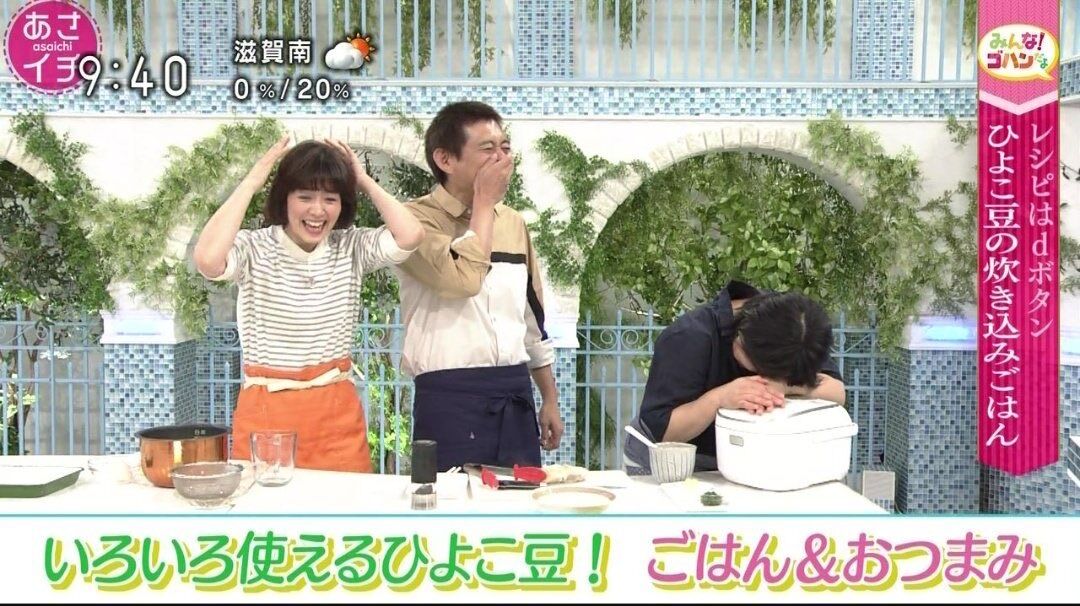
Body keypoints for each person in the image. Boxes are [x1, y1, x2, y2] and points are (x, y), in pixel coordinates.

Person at [192, 137, 424, 473]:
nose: (318, 211)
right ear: (284, 198)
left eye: (330, 199)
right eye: (304, 197)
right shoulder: (254, 248)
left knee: (343, 507)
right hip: (267, 411)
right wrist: (252, 181)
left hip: (336, 413)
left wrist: (362, 179)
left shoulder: (351, 247)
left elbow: (411, 235)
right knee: (267, 504)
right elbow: (208, 260)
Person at [395, 101, 564, 471]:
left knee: (521, 500)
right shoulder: (413, 220)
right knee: (450, 502)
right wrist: (484, 204)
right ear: (445, 159)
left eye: (505, 147)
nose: (501, 158)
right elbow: (460, 283)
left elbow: (531, 320)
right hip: (449, 397)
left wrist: (549, 398)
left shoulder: (514, 223)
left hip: (514, 390)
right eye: (487, 149)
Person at [624, 281, 847, 472]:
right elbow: (664, 432)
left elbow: (837, 392)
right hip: (670, 461)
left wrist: (785, 386)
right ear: (741, 333)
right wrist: (720, 398)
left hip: (744, 461)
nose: (759, 377)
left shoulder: (797, 333)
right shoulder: (690, 336)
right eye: (758, 369)